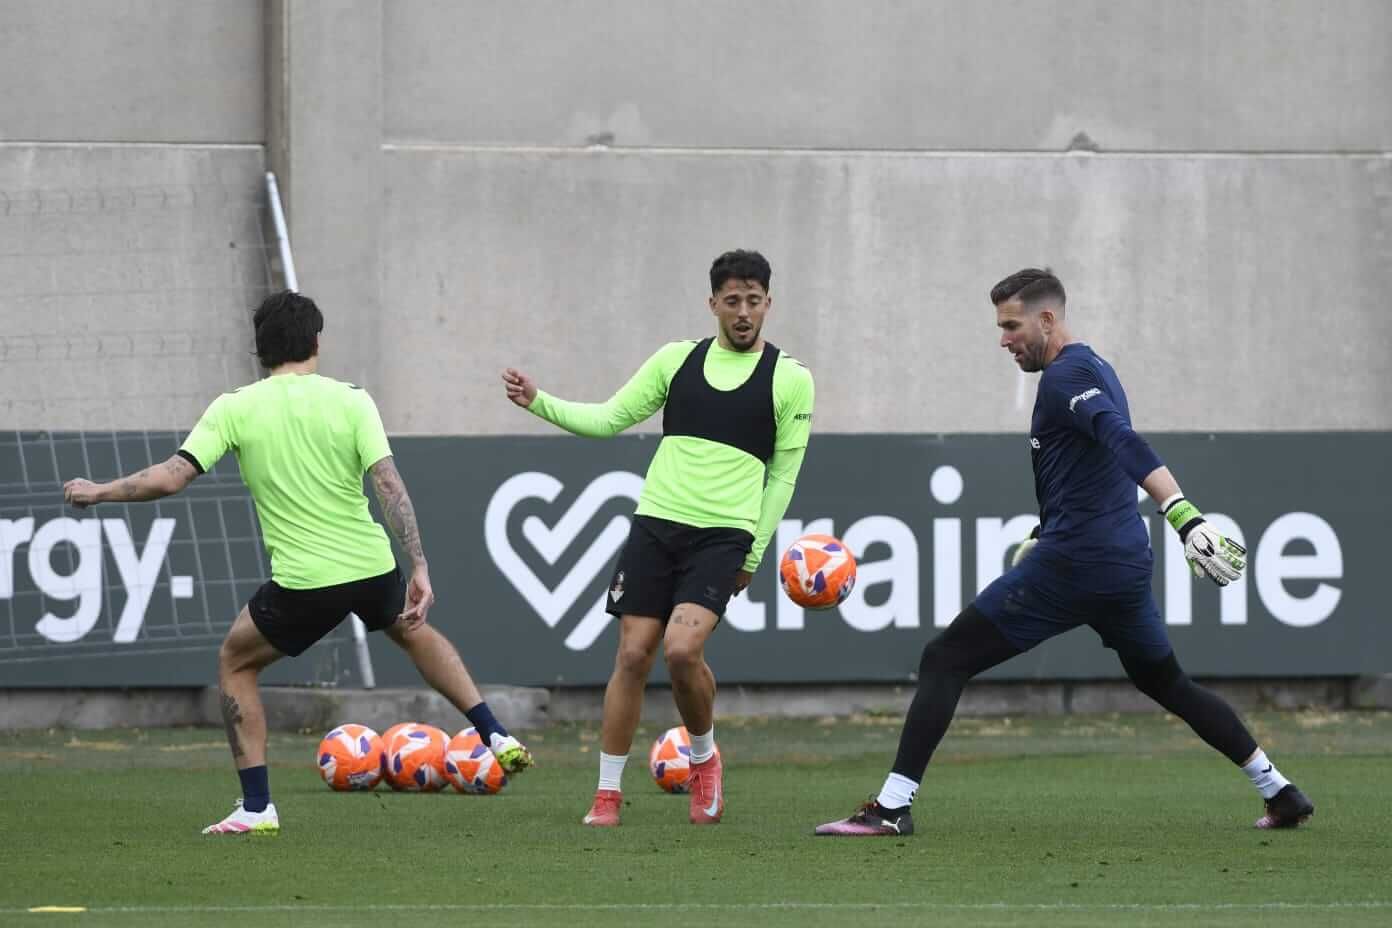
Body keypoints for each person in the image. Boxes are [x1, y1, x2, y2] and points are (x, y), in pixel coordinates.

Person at [814, 268, 1314, 837]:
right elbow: (1089, 466)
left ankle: (891, 807)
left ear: (1047, 319)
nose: (1004, 339)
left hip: (1078, 561)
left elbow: (1122, 440)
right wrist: (1047, 526)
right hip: (1120, 561)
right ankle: (1279, 789)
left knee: (945, 658)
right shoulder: (1095, 366)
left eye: (1011, 325)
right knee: (1167, 682)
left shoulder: (1065, 375)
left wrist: (1182, 512)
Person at [63, 290, 533, 836]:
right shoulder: (353, 399)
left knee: (236, 664)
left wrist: (98, 492)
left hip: (307, 581)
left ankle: (258, 808)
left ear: (259, 352)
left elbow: (172, 476)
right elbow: (389, 487)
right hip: (370, 563)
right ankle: (494, 731)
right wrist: (420, 565)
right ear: (315, 342)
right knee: (413, 632)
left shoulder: (234, 407)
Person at [502, 249, 814, 827]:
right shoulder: (677, 361)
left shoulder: (790, 379)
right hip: (657, 523)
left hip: (724, 535)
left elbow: (783, 478)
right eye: (732, 300)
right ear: (712, 303)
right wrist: (538, 401)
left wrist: (753, 550)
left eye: (753, 300)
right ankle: (607, 794)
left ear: (769, 303)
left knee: (680, 650)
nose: (743, 312)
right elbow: (609, 419)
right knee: (632, 654)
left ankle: (703, 759)